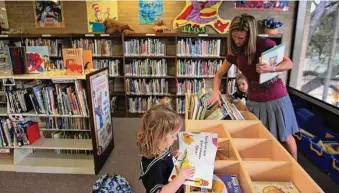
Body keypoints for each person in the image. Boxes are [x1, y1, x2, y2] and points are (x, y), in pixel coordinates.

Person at [208, 13, 299, 160]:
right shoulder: (234, 51)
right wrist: (216, 91)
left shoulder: (265, 44)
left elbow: (289, 63)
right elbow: (218, 74)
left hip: (275, 96)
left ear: (250, 36)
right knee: (259, 137)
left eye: (241, 38)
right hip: (254, 98)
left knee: (285, 136)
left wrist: (272, 69)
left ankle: (296, 166)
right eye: (234, 36)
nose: (237, 41)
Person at [137, 104, 195, 193]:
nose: (176, 138)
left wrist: (171, 156)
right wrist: (181, 177)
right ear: (159, 136)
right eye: (173, 136)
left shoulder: (160, 147)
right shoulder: (156, 165)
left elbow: (164, 164)